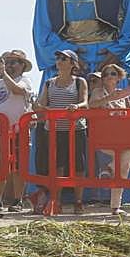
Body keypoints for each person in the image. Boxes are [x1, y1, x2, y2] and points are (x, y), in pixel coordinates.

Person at [32, 49, 89, 214]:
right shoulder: (49, 82)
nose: (59, 61)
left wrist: (76, 106)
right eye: (58, 58)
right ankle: (56, 200)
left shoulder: (80, 82)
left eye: (64, 58)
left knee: (79, 166)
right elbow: (41, 104)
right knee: (58, 166)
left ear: (73, 64)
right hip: (54, 130)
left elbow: (85, 102)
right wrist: (37, 106)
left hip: (76, 129)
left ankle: (78, 201)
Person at [0, 50, 33, 212]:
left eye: (13, 62)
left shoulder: (24, 80)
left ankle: (17, 200)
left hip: (17, 131)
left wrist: (3, 73)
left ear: (22, 66)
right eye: (7, 62)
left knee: (17, 168)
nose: (9, 65)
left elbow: (17, 90)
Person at [88, 63, 130, 215]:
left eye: (112, 74)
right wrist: (108, 99)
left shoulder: (123, 96)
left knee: (127, 163)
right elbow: (91, 105)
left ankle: (115, 205)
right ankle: (115, 203)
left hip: (121, 137)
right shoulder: (98, 91)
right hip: (104, 136)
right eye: (106, 74)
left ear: (119, 77)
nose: (108, 76)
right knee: (123, 165)